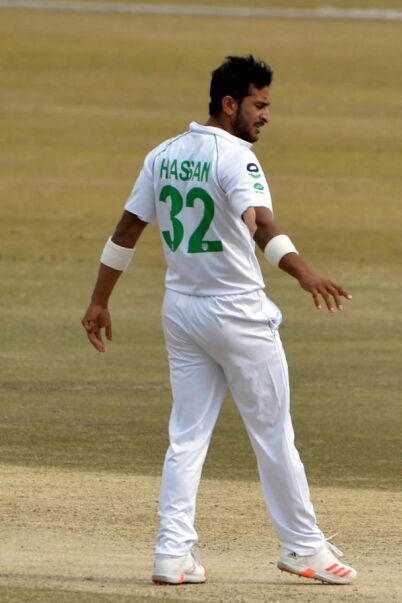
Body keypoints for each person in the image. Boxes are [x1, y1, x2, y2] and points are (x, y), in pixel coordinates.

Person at [81, 55, 357, 586]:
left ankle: (172, 553)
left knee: (186, 435)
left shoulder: (162, 155)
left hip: (182, 311)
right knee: (273, 434)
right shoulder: (236, 158)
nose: (266, 115)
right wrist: (304, 273)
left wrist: (99, 301)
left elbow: (126, 230)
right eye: (259, 104)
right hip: (238, 312)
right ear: (229, 105)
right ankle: (304, 548)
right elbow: (263, 226)